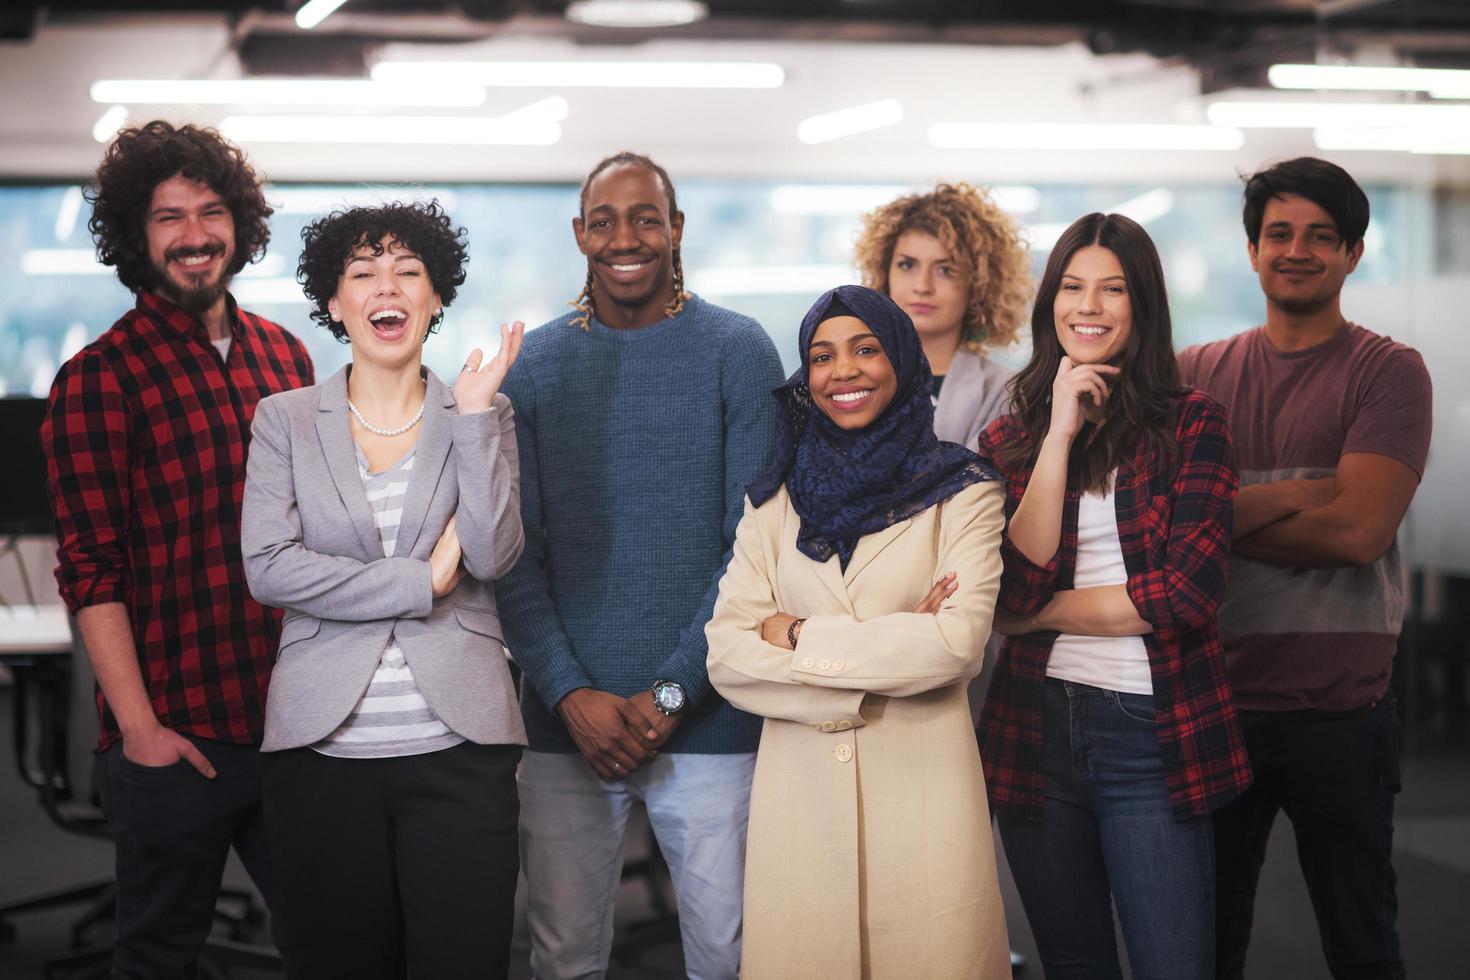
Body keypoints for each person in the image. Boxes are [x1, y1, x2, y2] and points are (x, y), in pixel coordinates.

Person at [494, 151, 785, 980]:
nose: (626, 237)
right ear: (580, 233)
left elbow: (754, 547)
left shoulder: (737, 350)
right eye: (605, 219)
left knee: (727, 958)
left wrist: (670, 693)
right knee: (563, 960)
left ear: (677, 229)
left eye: (646, 217)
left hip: (711, 720)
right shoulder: (537, 365)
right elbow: (514, 554)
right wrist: (569, 694)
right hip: (564, 724)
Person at [39, 121, 313, 976]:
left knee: (339, 944)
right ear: (135, 236)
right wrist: (143, 732)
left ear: (239, 225)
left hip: (294, 724)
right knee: (160, 958)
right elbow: (91, 574)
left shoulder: (285, 355)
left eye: (210, 211)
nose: (194, 235)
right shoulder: (97, 381)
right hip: (178, 736)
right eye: (167, 218)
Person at [240, 201, 526, 979]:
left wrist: (471, 422)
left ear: (435, 297)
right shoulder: (285, 421)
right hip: (322, 751)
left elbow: (495, 556)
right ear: (335, 303)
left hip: (458, 746)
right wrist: (419, 580)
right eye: (362, 273)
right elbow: (269, 566)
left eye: (408, 271)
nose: (385, 287)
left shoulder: (483, 411)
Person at [705, 284, 1011, 979]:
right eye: (821, 356)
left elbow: (956, 644)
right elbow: (726, 654)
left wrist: (795, 632)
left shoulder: (965, 491)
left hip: (925, 814)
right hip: (801, 821)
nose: (843, 370)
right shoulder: (774, 500)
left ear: (901, 360)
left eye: (866, 349)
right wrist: (896, 641)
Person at [976, 213, 1250, 980]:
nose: (1087, 305)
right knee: (1074, 965)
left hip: (1150, 731)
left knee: (1173, 964)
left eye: (1112, 288)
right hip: (1033, 727)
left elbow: (1181, 596)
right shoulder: (1009, 440)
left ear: (1142, 306)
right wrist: (1059, 434)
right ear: (1049, 302)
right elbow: (1014, 584)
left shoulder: (1194, 424)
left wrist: (1041, 616)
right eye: (1071, 286)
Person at [1179, 157, 1431, 980]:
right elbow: (1162, 528)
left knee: (1361, 942)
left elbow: (1360, 532)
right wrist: (1306, 491)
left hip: (1341, 711)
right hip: (1212, 700)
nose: (1297, 250)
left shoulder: (1387, 372)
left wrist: (1214, 523)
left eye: (1322, 237)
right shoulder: (1193, 377)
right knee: (1206, 942)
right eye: (1279, 233)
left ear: (1353, 253)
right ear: (1251, 250)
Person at [855, 181, 1031, 448]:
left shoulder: (1009, 392)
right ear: (884, 273)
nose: (922, 286)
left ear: (979, 284)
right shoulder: (849, 375)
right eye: (907, 265)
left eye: (945, 270)